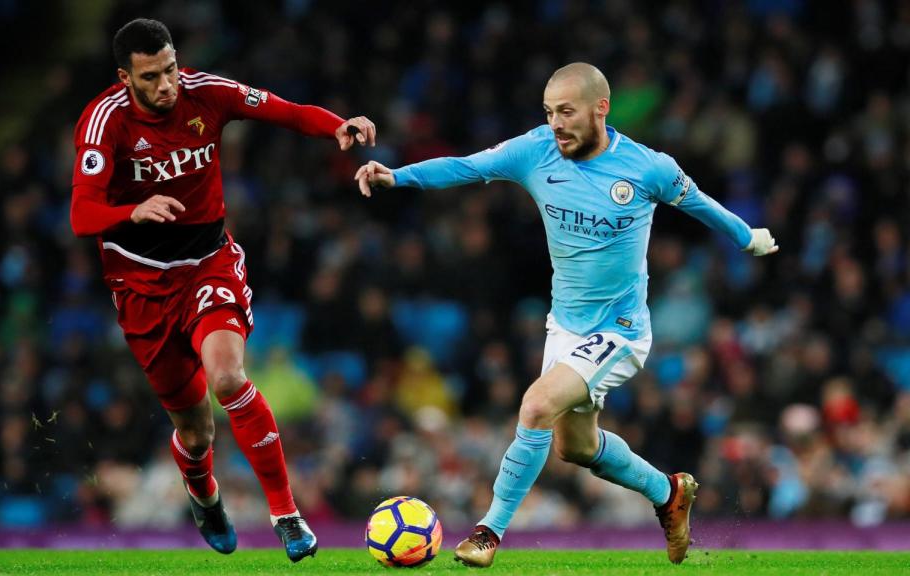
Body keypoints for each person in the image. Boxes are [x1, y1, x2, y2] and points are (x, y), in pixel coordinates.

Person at [355, 62, 777, 566]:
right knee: (574, 448)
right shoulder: (535, 150)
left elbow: (702, 205)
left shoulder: (647, 168)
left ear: (601, 108)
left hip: (619, 330)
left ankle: (488, 533)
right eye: (550, 111)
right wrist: (396, 176)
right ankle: (668, 493)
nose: (556, 122)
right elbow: (466, 166)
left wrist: (747, 237)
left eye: (567, 111)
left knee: (534, 407)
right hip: (566, 326)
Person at [70, 18, 376, 562]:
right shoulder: (103, 122)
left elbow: (281, 109)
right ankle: (204, 496)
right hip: (140, 282)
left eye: (169, 69)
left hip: (209, 262)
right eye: (151, 76)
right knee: (194, 433)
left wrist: (335, 126)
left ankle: (286, 514)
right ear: (125, 77)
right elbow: (81, 213)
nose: (166, 85)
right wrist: (131, 211)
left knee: (229, 376)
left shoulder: (206, 92)